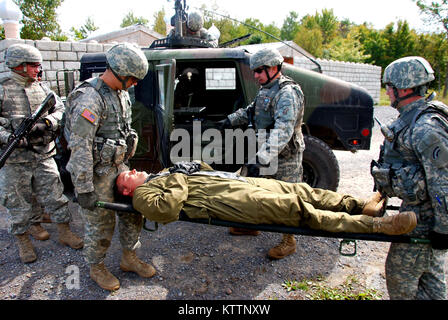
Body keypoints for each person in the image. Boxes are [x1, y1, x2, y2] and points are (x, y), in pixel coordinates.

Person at [115, 161, 417, 237]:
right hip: (232, 203)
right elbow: (167, 210)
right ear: (127, 190)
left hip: (237, 184)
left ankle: (359, 205)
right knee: (296, 208)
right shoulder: (144, 194)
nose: (132, 170)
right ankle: (378, 226)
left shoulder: (164, 172)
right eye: (126, 175)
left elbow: (200, 172)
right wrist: (180, 175)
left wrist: (190, 167)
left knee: (301, 190)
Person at [64, 43, 155, 291]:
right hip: (96, 173)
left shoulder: (121, 93)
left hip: (119, 166)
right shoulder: (90, 98)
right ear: (120, 72)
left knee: (132, 213)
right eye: (133, 79)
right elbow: (80, 146)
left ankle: (129, 258)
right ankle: (97, 267)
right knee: (101, 222)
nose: (135, 84)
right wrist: (83, 188)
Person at [372, 56, 448, 299]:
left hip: (424, 224)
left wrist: (443, 228)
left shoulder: (425, 127)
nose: (387, 91)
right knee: (431, 279)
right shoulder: (411, 120)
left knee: (399, 277)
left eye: (390, 87)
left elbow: (442, 181)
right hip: (418, 215)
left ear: (403, 88)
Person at [0, 44, 83, 264]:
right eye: (34, 65)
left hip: (43, 154)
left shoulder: (43, 89)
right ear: (20, 65)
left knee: (55, 194)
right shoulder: (3, 89)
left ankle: (64, 232)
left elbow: (61, 109)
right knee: (17, 202)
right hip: (15, 160)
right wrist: (8, 135)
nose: (38, 69)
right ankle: (24, 240)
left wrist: (47, 122)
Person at [221, 47, 305, 259]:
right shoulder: (267, 88)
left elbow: (283, 130)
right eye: (255, 71)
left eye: (259, 70)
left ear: (274, 67)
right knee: (250, 189)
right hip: (264, 151)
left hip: (284, 157)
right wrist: (229, 120)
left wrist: (262, 158)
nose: (256, 75)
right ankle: (250, 225)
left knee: (286, 198)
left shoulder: (287, 93)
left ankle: (289, 241)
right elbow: (252, 110)